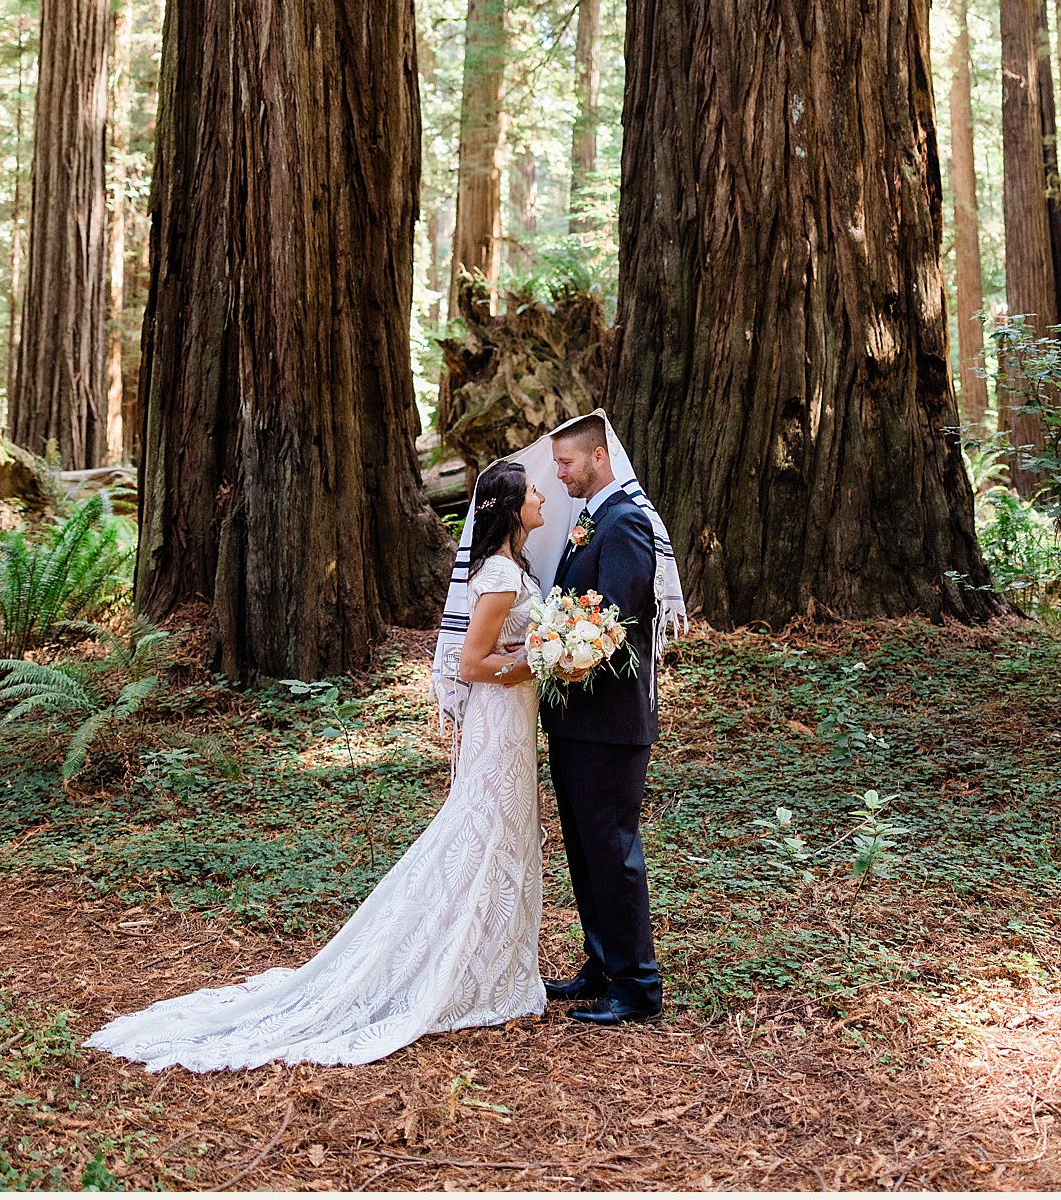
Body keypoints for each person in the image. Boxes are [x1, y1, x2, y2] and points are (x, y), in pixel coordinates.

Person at [88, 465, 548, 1070]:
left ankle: (493, 959)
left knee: (503, 834)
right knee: (484, 831)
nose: (543, 496)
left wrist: (531, 655)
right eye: (534, 491)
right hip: (499, 714)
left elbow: (496, 649)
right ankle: (460, 962)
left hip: (512, 717)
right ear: (513, 507)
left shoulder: (511, 570)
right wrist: (532, 663)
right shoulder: (498, 575)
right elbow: (469, 662)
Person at [538, 412, 667, 1024]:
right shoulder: (590, 519)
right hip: (575, 722)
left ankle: (638, 985)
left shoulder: (625, 523)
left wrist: (555, 648)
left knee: (612, 850)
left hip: (609, 723)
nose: (558, 474)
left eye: (566, 464)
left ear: (597, 457)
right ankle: (603, 962)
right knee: (586, 852)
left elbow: (617, 621)